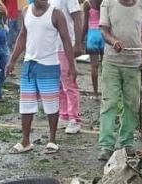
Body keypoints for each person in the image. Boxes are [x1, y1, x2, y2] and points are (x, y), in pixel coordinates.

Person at [5, 0, 76, 154]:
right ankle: (25, 141)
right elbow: (22, 36)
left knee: (51, 105)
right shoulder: (26, 11)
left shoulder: (56, 14)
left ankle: (52, 140)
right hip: (29, 64)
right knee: (26, 105)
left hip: (49, 65)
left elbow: (66, 40)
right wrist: (12, 60)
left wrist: (72, 66)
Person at [97, 0, 142, 161]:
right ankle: (106, 146)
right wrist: (113, 41)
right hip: (112, 62)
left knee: (131, 104)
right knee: (109, 103)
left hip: (133, 62)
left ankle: (127, 143)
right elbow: (104, 30)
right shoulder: (108, 3)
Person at [52, 0, 84, 134]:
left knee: (69, 82)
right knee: (58, 83)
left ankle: (74, 119)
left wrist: (78, 43)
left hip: (66, 44)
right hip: (52, 46)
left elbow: (77, 18)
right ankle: (64, 115)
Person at [82, 0, 103, 97]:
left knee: (94, 66)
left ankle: (95, 93)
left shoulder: (87, 3)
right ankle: (106, 91)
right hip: (104, 34)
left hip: (92, 36)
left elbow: (85, 25)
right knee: (106, 66)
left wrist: (80, 40)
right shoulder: (104, 2)